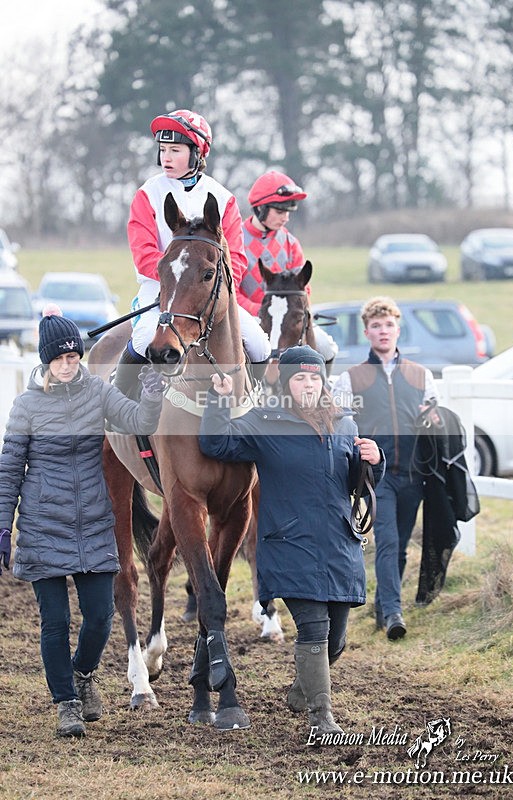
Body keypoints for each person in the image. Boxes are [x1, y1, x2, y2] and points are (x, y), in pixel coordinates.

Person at [198, 345, 384, 737]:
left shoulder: (343, 424)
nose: (308, 384)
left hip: (338, 544)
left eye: (314, 377)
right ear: (286, 382)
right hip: (289, 544)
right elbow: (216, 443)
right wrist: (216, 400)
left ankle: (302, 693)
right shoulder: (266, 421)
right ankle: (322, 716)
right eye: (299, 378)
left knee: (336, 641)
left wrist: (373, 461)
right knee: (314, 631)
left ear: (323, 381)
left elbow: (354, 483)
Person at [0, 309, 165, 738]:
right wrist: (4, 527)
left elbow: (139, 422)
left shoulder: (98, 392)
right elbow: (9, 471)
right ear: (47, 362)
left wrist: (151, 395)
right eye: (61, 358)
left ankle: (83, 673)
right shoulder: (26, 406)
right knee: (54, 622)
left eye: (75, 356)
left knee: (100, 617)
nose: (70, 364)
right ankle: (67, 703)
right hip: (41, 526)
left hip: (93, 523)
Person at [115, 109, 270, 395]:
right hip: (162, 288)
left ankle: (257, 401)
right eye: (163, 150)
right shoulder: (147, 194)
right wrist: (177, 279)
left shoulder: (223, 198)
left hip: (212, 289)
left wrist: (214, 286)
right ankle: (119, 411)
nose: (166, 158)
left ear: (197, 153)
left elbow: (236, 257)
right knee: (142, 341)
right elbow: (143, 252)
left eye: (175, 150)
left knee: (259, 343)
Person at [333, 296, 439, 641]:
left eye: (389, 325)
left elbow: (434, 422)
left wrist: (433, 418)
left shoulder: (421, 376)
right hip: (378, 477)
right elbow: (341, 426)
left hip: (414, 474)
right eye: (376, 325)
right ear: (367, 332)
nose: (383, 331)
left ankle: (383, 605)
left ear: (398, 329)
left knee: (402, 544)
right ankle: (394, 612)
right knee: (389, 542)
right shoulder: (352, 378)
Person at [239, 170, 338, 364]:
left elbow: (304, 288)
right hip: (250, 319)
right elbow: (230, 290)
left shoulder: (290, 243)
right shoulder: (236, 240)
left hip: (286, 321)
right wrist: (260, 310)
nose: (285, 218)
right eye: (280, 211)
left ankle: (323, 391)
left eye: (288, 212)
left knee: (326, 347)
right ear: (261, 208)